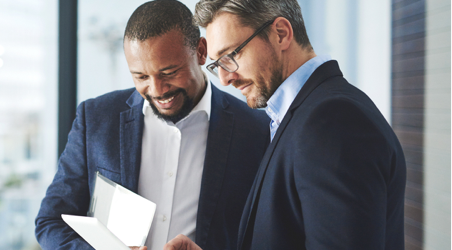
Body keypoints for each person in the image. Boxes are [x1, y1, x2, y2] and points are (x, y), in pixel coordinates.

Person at [163, 0, 407, 249]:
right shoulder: (300, 115)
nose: (225, 79)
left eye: (231, 56)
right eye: (217, 65)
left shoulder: (333, 120)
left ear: (281, 34)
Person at [35, 0, 270, 249]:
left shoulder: (256, 130)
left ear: (201, 51)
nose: (157, 90)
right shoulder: (95, 118)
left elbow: (271, 236)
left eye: (169, 72)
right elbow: (51, 222)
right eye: (141, 76)